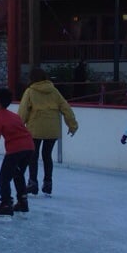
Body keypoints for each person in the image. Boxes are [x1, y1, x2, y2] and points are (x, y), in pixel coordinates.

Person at [17, 67, 78, 196]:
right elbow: (66, 108)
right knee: (47, 155)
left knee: (33, 156)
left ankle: (33, 183)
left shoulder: (30, 92)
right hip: (52, 128)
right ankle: (48, 183)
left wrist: (18, 127)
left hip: (35, 128)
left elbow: (23, 111)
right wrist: (72, 125)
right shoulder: (54, 91)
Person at [0, 87, 34, 216]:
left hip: (15, 150)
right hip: (29, 148)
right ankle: (23, 202)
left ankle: (6, 203)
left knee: (4, 178)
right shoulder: (14, 116)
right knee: (18, 175)